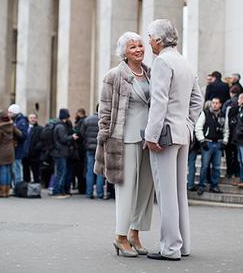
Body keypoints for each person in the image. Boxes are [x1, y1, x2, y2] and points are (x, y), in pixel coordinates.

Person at [144, 20, 203, 261]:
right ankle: (183, 245)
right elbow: (198, 100)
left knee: (166, 194)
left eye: (149, 37)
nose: (148, 41)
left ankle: (170, 248)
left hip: (164, 134)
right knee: (179, 193)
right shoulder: (185, 62)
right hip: (181, 133)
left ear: (158, 40)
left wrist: (150, 135)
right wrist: (188, 124)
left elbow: (159, 101)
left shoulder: (162, 62)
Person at [94, 31, 155, 258]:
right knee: (126, 189)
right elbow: (105, 111)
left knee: (145, 190)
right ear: (124, 52)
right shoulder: (114, 76)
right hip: (124, 138)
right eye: (133, 47)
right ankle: (119, 236)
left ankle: (134, 233)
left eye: (140, 45)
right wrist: (105, 139)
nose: (139, 49)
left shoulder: (150, 73)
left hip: (149, 139)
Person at [195, 97, 228, 195]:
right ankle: (201, 185)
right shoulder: (205, 113)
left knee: (216, 167)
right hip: (207, 143)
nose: (214, 105)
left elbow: (226, 129)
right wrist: (202, 140)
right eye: (213, 103)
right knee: (204, 166)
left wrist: (225, 142)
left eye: (216, 103)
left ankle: (214, 186)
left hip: (218, 143)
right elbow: (198, 127)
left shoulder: (223, 115)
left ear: (220, 104)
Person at [0, 111, 22, 197]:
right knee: (8, 170)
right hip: (11, 151)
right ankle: (7, 192)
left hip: (1, 151)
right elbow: (20, 134)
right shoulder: (11, 126)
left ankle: (2, 192)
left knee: (3, 171)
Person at [51, 108, 77, 198]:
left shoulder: (58, 125)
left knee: (60, 172)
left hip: (59, 152)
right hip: (60, 152)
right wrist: (72, 137)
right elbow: (63, 139)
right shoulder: (61, 127)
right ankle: (57, 191)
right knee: (61, 172)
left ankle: (59, 190)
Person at [81, 105, 104, 199]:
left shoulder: (87, 120)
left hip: (89, 148)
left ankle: (89, 193)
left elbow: (82, 133)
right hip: (100, 147)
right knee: (100, 170)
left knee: (90, 170)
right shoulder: (104, 120)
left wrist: (86, 142)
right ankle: (99, 193)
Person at [222, 86, 241, 178]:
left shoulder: (228, 103)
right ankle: (237, 171)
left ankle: (229, 172)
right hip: (238, 133)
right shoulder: (240, 103)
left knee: (229, 154)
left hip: (228, 132)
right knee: (237, 154)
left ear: (231, 93)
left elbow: (223, 114)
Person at [8, 104, 28, 184]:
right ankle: (15, 185)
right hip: (15, 149)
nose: (8, 114)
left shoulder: (21, 122)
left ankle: (17, 186)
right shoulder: (16, 121)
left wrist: (14, 130)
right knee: (14, 169)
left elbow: (23, 136)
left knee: (17, 169)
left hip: (18, 149)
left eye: (10, 113)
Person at [22, 113, 43, 183]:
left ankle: (36, 190)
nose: (32, 119)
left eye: (34, 118)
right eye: (31, 118)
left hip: (35, 155)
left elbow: (42, 140)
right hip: (25, 154)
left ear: (36, 119)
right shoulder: (25, 128)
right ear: (28, 119)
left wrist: (36, 149)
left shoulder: (40, 128)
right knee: (25, 173)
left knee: (36, 173)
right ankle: (26, 188)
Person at [71, 108, 86, 194]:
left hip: (80, 149)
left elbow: (80, 134)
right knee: (82, 169)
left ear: (79, 113)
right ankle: (82, 187)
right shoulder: (85, 121)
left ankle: (81, 188)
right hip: (83, 148)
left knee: (79, 169)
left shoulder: (81, 122)